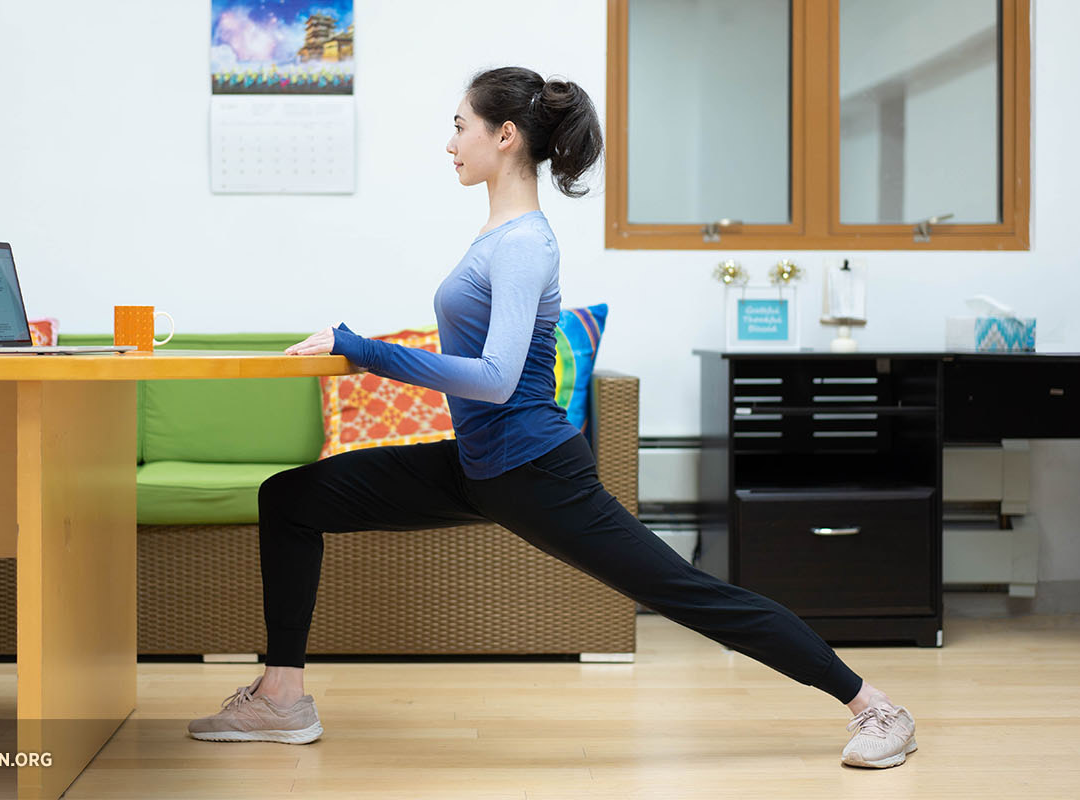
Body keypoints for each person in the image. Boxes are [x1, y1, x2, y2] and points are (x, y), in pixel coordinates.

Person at [187, 66, 917, 769]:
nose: (450, 143)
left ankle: (874, 707)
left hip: (535, 470)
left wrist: (363, 350)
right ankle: (282, 697)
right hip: (480, 468)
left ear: (504, 135)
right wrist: (359, 349)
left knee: (688, 594)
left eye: (459, 126)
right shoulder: (498, 238)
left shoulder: (524, 245)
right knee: (289, 498)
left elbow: (497, 380)